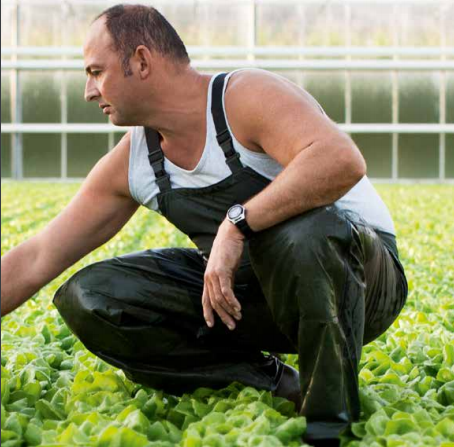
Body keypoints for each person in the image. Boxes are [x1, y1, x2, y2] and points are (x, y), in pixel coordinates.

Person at [0, 4, 408, 446]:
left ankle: (329, 420)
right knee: (93, 295)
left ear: (140, 61)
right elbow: (38, 257)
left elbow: (340, 159)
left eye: (96, 72)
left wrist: (236, 225)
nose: (88, 91)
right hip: (245, 299)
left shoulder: (242, 97)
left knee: (305, 233)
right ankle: (273, 380)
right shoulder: (134, 161)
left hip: (359, 283)